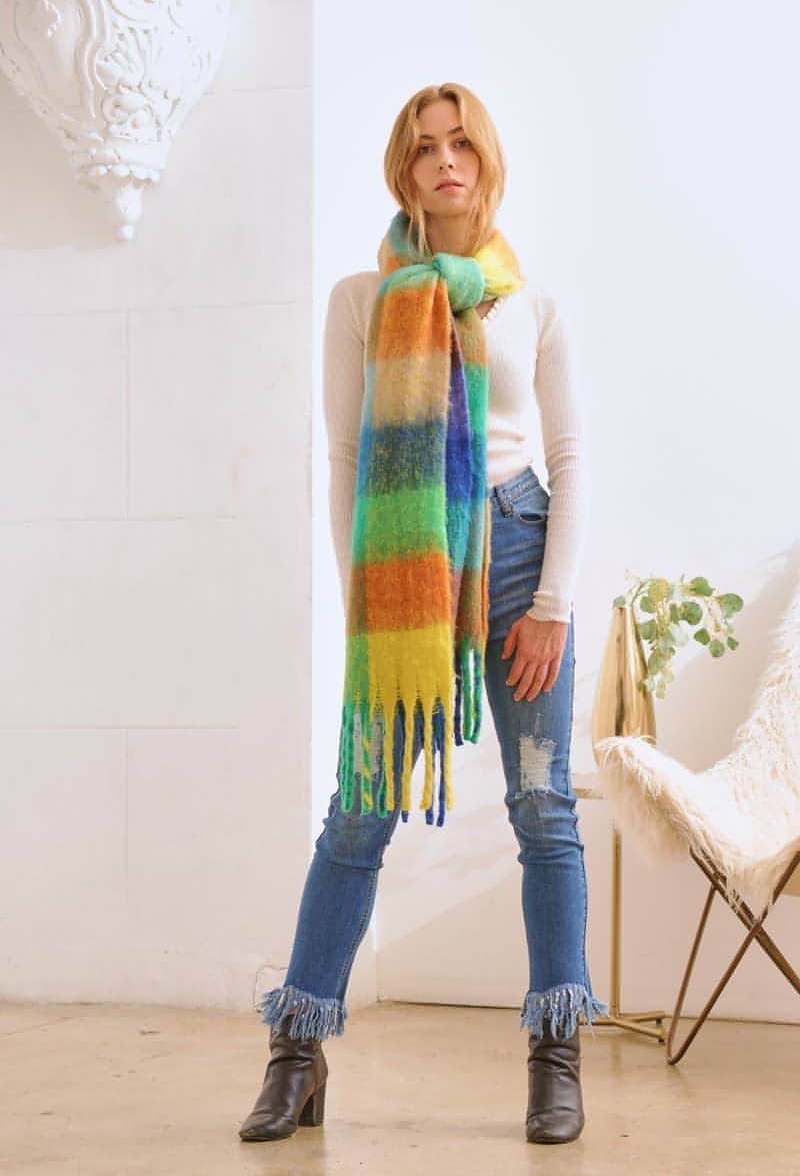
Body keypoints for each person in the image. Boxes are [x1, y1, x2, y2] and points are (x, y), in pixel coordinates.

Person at [239, 81, 608, 1148]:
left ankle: (554, 1055)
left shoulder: (528, 304)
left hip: (518, 550)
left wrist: (551, 604)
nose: (444, 161)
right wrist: (363, 593)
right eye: (423, 148)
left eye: (461, 144)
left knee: (543, 808)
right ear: (402, 170)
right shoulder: (362, 298)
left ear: (485, 161)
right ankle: (297, 1050)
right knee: (360, 810)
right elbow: (345, 457)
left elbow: (570, 457)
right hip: (404, 575)